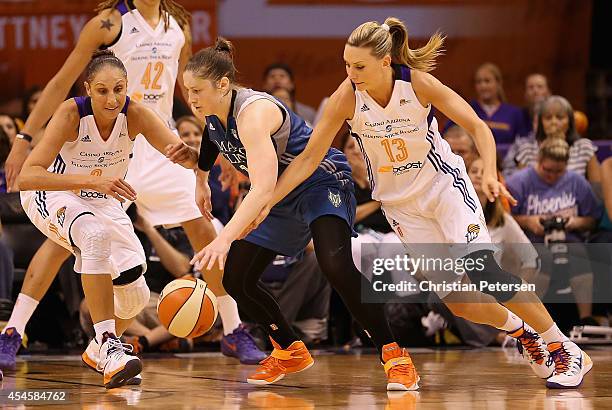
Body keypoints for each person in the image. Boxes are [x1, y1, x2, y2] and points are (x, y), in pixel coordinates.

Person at [251, 18, 592, 389]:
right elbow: (307, 159)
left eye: (359, 66)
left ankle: (563, 346)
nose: (351, 73)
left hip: (444, 188)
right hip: (400, 206)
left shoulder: (417, 84)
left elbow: (478, 127)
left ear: (385, 62)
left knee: (484, 272)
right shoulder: (346, 96)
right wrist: (266, 200)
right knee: (458, 301)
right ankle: (526, 335)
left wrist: (491, 173)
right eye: (346, 65)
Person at [0, 0, 264, 370]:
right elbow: (63, 80)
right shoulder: (109, 23)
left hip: (155, 139)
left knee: (202, 224)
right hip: (103, 147)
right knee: (64, 241)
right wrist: (24, 138)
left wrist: (223, 150)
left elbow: (191, 94)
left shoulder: (177, 25)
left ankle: (233, 329)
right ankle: (13, 331)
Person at [169, 37, 420, 391]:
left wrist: (224, 238)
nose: (190, 99)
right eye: (186, 90)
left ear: (223, 85)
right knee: (236, 279)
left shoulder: (253, 114)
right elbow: (212, 139)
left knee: (335, 264)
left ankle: (395, 355)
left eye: (196, 90)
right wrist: (201, 178)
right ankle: (288, 350)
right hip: (279, 194)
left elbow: (262, 189)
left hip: (320, 181)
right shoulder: (212, 111)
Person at [17, 50, 198, 388]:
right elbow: (27, 177)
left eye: (119, 89)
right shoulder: (71, 113)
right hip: (54, 193)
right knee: (94, 235)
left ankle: (95, 351)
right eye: (102, 90)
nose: (112, 98)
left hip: (102, 198)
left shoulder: (137, 115)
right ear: (88, 89)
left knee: (136, 294)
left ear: (127, 87)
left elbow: (183, 156)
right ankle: (108, 345)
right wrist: (91, 181)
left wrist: (212, 158)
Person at [509, 96, 601, 186]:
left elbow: (597, 190)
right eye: (548, 118)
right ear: (541, 123)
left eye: (560, 117)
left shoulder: (584, 147)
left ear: (570, 122)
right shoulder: (527, 150)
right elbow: (519, 189)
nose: (554, 122)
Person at [446, 63, 527, 145]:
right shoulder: (466, 110)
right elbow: (447, 134)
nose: (483, 86)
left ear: (498, 83)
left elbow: (524, 142)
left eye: (487, 81)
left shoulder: (515, 113)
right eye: (479, 82)